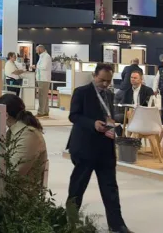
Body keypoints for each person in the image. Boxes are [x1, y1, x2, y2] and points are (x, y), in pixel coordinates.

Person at [67, 63, 132, 233]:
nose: (105, 84)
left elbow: (108, 115)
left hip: (106, 148)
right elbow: (73, 116)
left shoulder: (109, 94)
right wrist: (92, 124)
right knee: (77, 187)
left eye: (108, 81)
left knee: (110, 189)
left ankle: (117, 225)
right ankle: (69, 223)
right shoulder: (81, 92)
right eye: (102, 80)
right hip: (85, 148)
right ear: (94, 75)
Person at [0, 94, 47, 180]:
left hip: (20, 187)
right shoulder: (13, 131)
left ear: (6, 115)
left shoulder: (29, 135)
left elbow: (14, 173)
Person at [33, 45, 52, 117]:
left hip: (44, 79)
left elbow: (44, 67)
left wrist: (36, 66)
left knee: (42, 96)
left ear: (40, 49)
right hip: (41, 79)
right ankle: (45, 111)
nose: (36, 51)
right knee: (44, 96)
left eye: (37, 50)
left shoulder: (46, 56)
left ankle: (40, 112)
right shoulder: (42, 57)